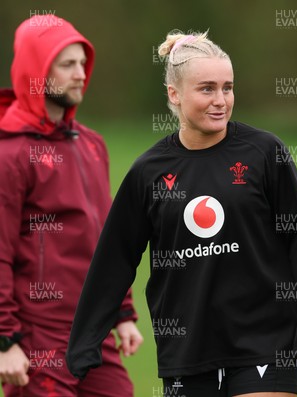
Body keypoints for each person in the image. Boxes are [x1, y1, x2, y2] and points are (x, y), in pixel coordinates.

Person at [66, 30, 297, 396]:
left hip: (265, 342)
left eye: (228, 87)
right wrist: (85, 342)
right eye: (206, 89)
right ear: (174, 94)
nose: (220, 100)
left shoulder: (266, 153)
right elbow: (114, 258)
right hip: (187, 351)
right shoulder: (149, 171)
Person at [0, 14, 143, 396]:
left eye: (83, 63)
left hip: (93, 331)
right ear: (36, 71)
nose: (81, 74)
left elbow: (106, 239)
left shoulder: (92, 144)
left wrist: (123, 313)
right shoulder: (9, 154)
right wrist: (5, 340)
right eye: (66, 65)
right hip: (37, 337)